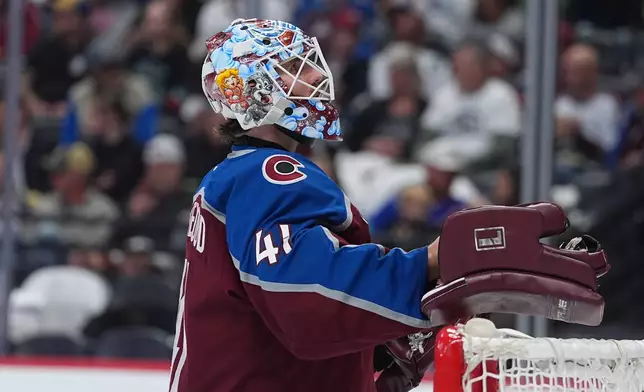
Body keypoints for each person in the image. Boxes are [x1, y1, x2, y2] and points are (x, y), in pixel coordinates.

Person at [168, 18, 440, 392]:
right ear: (255, 90)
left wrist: (376, 343)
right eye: (295, 67)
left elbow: (266, 313)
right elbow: (302, 296)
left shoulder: (238, 175)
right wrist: (426, 264)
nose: (316, 75)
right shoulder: (266, 175)